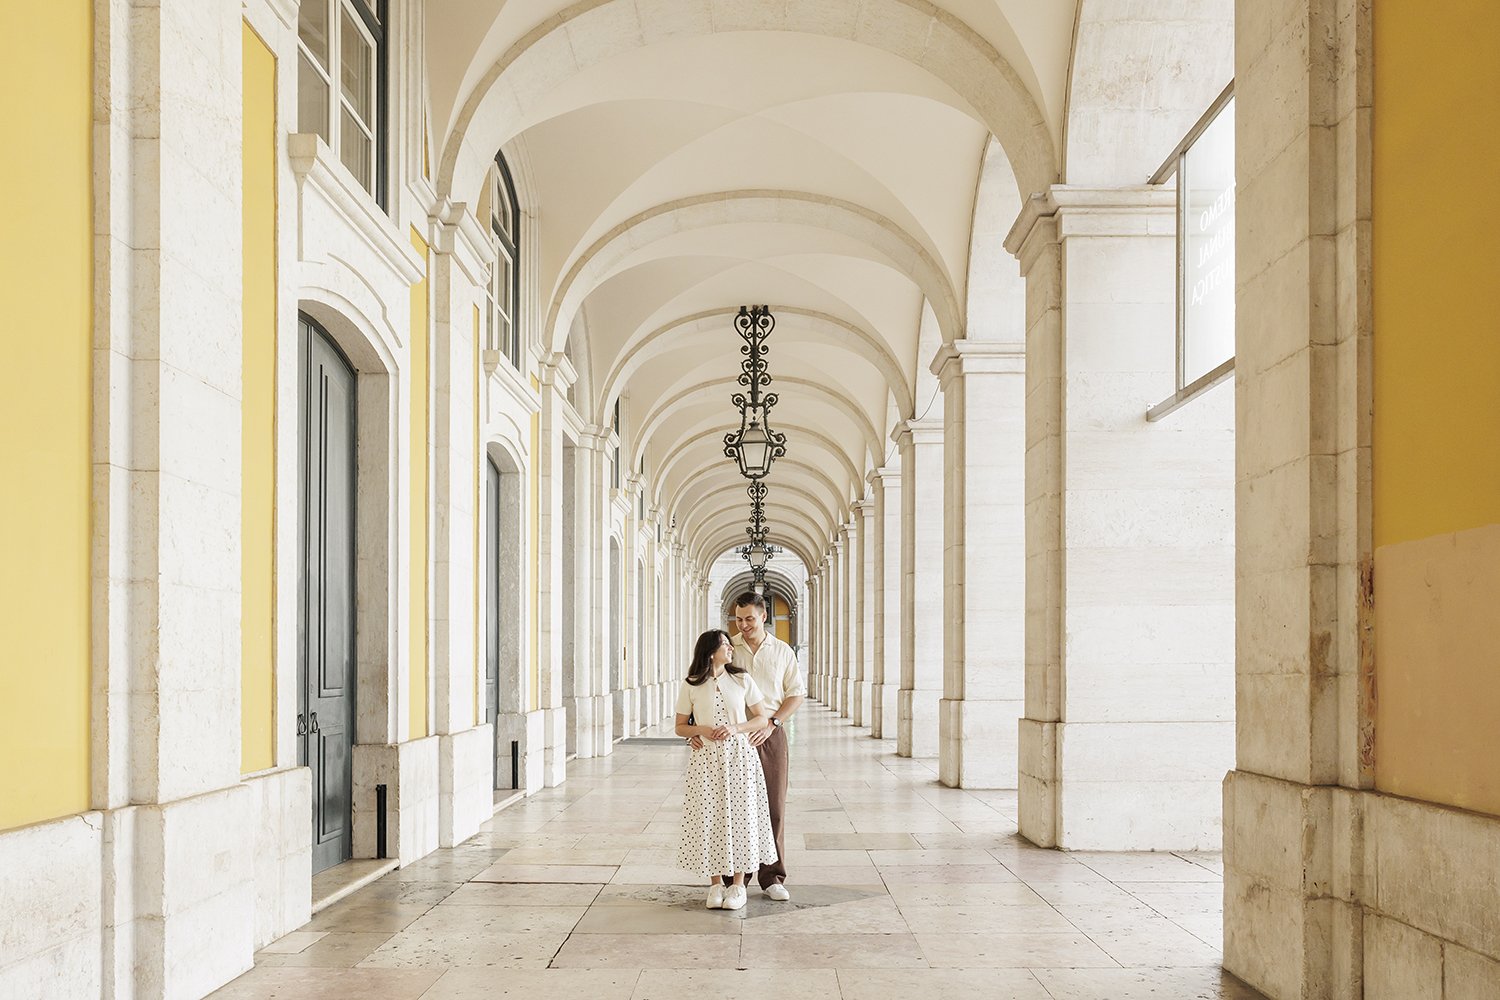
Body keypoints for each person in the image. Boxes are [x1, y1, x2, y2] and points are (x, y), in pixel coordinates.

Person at [674, 629, 779, 911]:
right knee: (710, 817)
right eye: (725, 645)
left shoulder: (742, 679)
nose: (731, 648)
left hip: (739, 757)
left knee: (742, 817)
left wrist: (735, 728)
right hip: (706, 759)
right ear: (711, 652)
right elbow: (680, 726)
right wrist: (700, 730)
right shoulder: (691, 684)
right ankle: (715, 884)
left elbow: (761, 718)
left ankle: (738, 885)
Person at [731, 591, 806, 900]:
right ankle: (735, 879)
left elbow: (796, 693)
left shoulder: (782, 651)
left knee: (774, 806)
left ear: (763, 616)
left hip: (771, 734)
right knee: (736, 808)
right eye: (739, 619)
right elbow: (707, 685)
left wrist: (773, 722)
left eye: (749, 619)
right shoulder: (728, 648)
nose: (743, 625)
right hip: (735, 736)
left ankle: (772, 877)